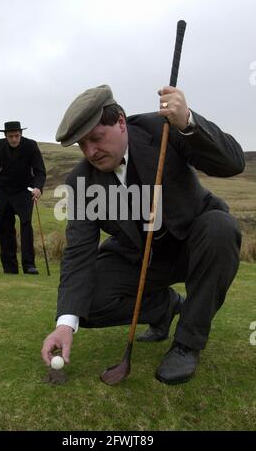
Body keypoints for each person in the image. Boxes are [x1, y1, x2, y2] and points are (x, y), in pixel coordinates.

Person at [41, 85, 245, 384]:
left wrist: (187, 121)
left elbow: (233, 163)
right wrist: (64, 325)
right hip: (141, 260)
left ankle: (187, 344)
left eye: (96, 138)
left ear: (121, 122)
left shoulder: (162, 128)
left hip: (196, 244)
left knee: (221, 228)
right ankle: (165, 308)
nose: (91, 152)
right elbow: (78, 253)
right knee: (86, 303)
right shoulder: (81, 182)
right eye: (82, 145)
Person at [0, 121, 46, 275]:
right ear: (5, 136)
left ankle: (29, 265)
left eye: (17, 136)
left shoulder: (31, 146)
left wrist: (38, 188)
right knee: (3, 226)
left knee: (26, 224)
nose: (14, 139)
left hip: (24, 190)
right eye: (10, 136)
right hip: (4, 190)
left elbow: (39, 171)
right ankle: (10, 267)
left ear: (21, 134)